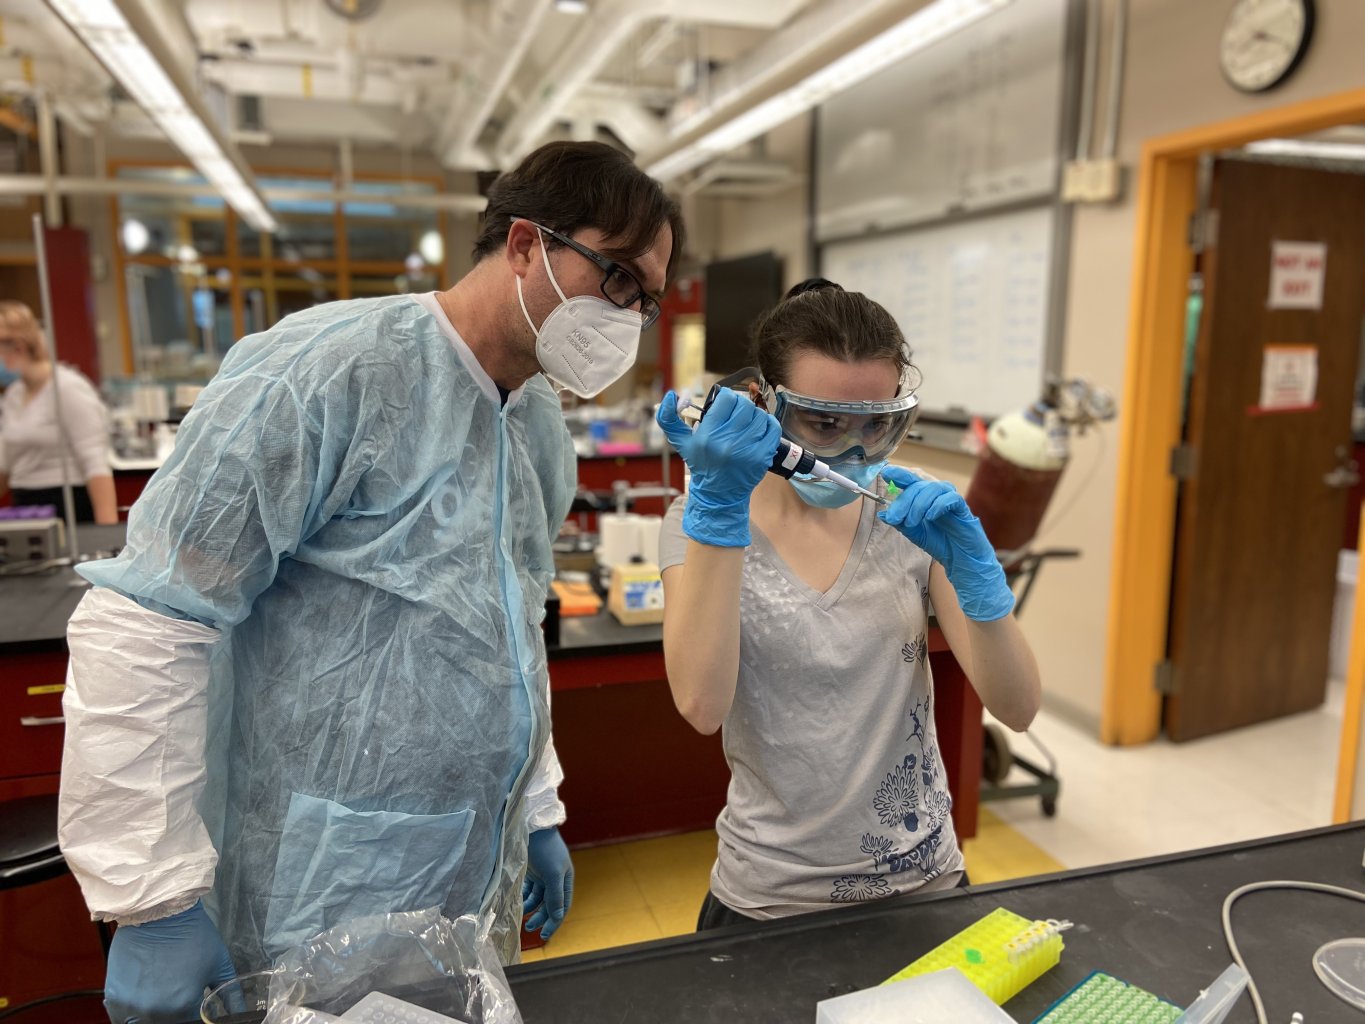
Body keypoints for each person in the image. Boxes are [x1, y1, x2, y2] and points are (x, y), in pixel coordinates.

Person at [58, 140, 683, 1024]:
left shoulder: (534, 422)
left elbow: (510, 629)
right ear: (522, 243)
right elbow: (151, 618)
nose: (629, 314)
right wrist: (151, 896)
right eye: (616, 276)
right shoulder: (325, 371)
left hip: (469, 861)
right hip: (316, 872)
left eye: (646, 300)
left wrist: (537, 804)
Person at [655, 279, 1040, 929]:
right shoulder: (702, 519)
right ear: (764, 406)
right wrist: (717, 515)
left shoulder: (911, 511)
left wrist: (980, 583)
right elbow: (700, 705)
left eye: (878, 424)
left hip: (925, 879)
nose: (856, 452)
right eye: (825, 422)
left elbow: (1017, 706)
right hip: (773, 895)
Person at [0, 300, 118, 523]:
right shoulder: (14, 395)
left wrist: (107, 537)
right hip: (23, 507)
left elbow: (96, 464)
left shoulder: (67, 388)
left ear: (18, 346)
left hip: (66, 506)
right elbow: (5, 464)